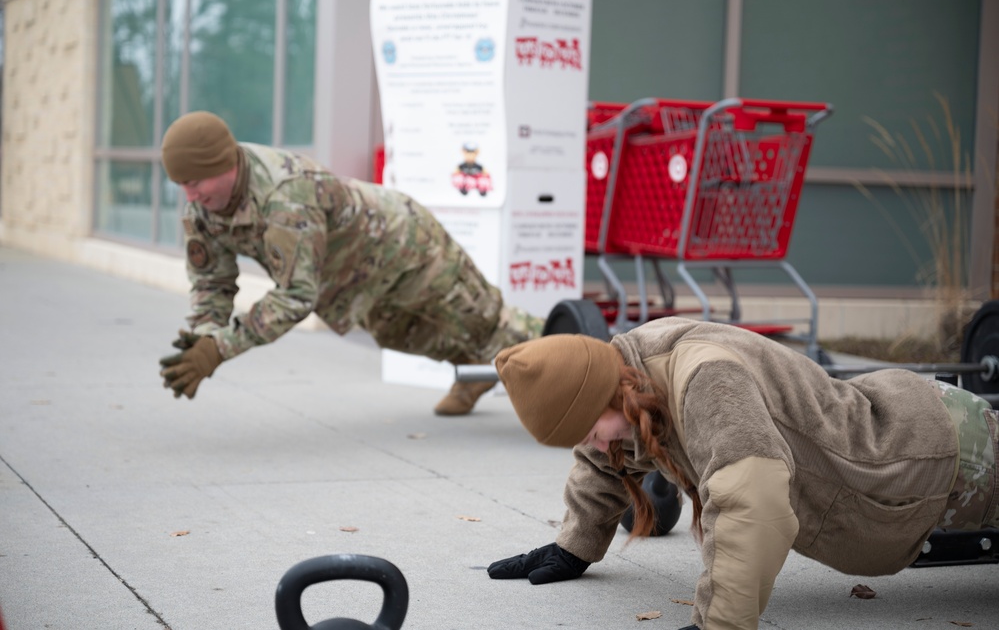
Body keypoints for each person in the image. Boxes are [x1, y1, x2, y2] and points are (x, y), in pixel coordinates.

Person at [486, 318, 998, 630]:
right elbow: (604, 456)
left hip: (933, 454)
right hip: (913, 425)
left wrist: (721, 625)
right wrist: (575, 544)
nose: (592, 442)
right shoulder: (635, 369)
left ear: (610, 389)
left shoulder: (708, 381)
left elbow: (753, 506)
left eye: (587, 426)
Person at [157, 110, 543, 414]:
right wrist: (204, 336)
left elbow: (294, 297)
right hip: (355, 277)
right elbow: (212, 282)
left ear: (227, 164)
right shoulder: (204, 207)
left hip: (407, 245)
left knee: (487, 322)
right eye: (181, 185)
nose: (189, 195)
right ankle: (477, 370)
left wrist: (220, 350)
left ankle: (584, 363)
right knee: (401, 334)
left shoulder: (286, 196)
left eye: (196, 182)